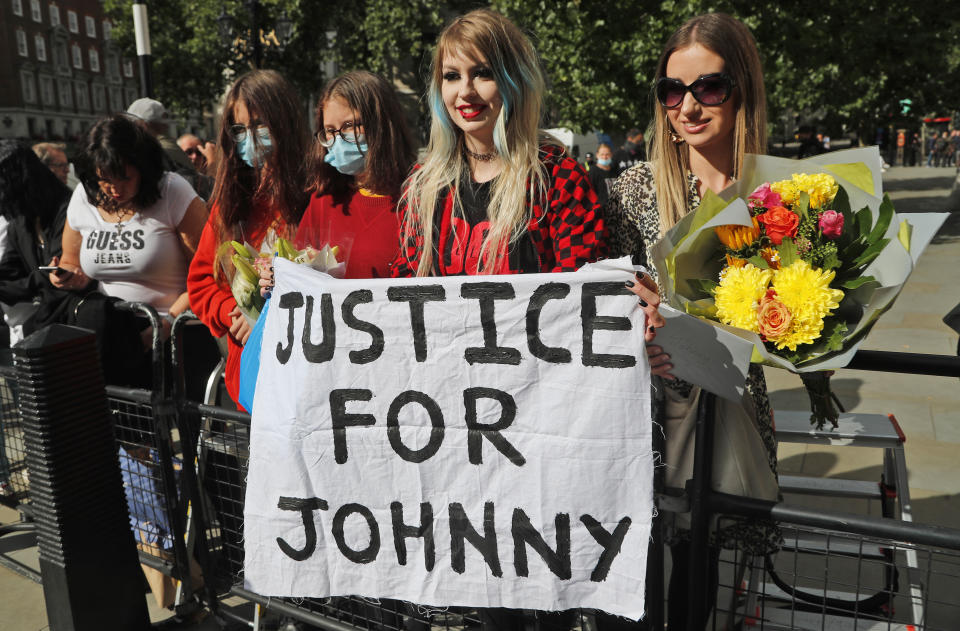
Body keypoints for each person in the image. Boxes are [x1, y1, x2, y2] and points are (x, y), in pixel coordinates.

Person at [392, 8, 665, 629]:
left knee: (539, 599)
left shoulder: (555, 176)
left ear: (511, 81)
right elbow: (407, 299)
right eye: (451, 75)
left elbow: (581, 296)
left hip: (537, 433)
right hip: (454, 429)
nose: (465, 92)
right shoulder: (423, 184)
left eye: (482, 74)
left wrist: (629, 301)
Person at [605, 13, 780, 629]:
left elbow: (796, 324)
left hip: (726, 414)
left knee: (699, 588)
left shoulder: (778, 200)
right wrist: (641, 316)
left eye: (709, 87)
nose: (689, 105)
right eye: (672, 91)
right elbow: (604, 300)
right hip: (644, 415)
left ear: (742, 91)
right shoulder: (633, 191)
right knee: (638, 584)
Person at [54, 114, 211, 389]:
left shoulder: (172, 190)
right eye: (104, 179)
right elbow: (71, 259)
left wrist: (163, 326)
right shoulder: (83, 195)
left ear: (143, 168)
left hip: (175, 335)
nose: (114, 189)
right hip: (111, 335)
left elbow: (207, 271)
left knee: (179, 428)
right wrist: (67, 275)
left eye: (124, 178)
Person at [187, 69, 309, 410]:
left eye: (259, 126)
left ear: (283, 123)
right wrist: (233, 312)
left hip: (309, 374)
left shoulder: (316, 197)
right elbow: (199, 285)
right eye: (239, 129)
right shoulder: (229, 206)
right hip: (253, 381)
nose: (249, 138)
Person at [294, 70, 416, 278]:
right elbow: (298, 275)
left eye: (350, 126)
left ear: (381, 124)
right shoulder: (324, 201)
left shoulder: (421, 195)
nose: (338, 140)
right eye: (330, 131)